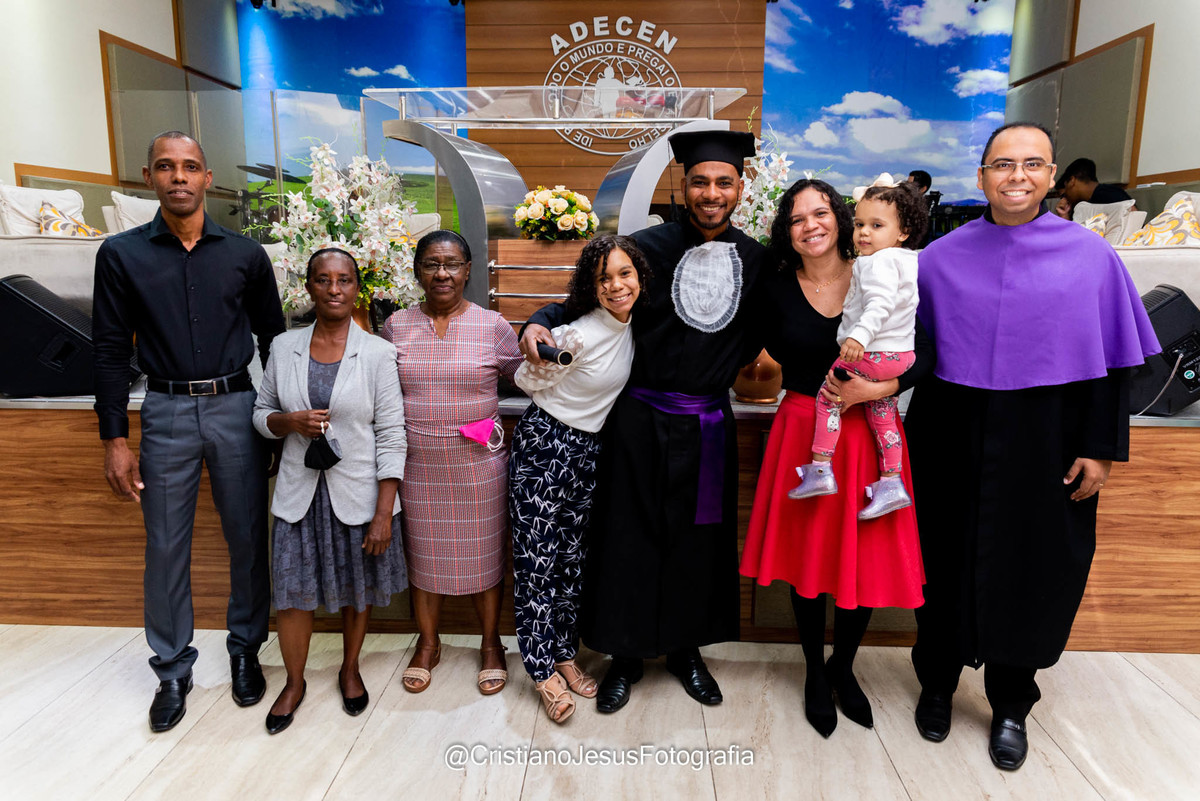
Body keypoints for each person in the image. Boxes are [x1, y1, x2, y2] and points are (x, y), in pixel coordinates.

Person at [907, 122, 1159, 770]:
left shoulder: (1092, 257)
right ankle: (936, 684)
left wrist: (1100, 448)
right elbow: (911, 353)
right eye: (1002, 164)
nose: (1016, 175)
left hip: (1048, 436)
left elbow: (1113, 365)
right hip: (951, 432)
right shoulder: (939, 257)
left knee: (1036, 566)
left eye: (1031, 164)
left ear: (1051, 176)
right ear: (981, 176)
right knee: (942, 557)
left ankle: (1012, 703)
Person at [521, 129, 767, 713]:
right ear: (683, 185)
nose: (711, 193)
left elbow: (771, 327)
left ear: (740, 188)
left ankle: (686, 652)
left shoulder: (757, 261)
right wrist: (539, 319)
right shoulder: (645, 247)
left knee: (697, 542)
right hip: (639, 420)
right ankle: (625, 656)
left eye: (724, 183)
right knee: (628, 541)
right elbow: (585, 296)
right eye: (700, 181)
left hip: (707, 424)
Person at [92, 131, 285, 732]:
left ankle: (245, 649)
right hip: (167, 411)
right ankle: (172, 668)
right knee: (165, 545)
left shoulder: (245, 254)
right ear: (148, 177)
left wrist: (274, 422)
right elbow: (108, 349)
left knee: (247, 537)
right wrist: (114, 438)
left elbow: (274, 340)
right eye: (166, 167)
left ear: (207, 178)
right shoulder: (121, 254)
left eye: (190, 166)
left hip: (236, 406)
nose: (179, 176)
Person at [739, 179, 929, 738]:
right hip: (805, 428)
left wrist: (880, 388)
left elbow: (926, 352)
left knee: (862, 555)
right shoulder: (775, 286)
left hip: (869, 429)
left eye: (820, 213)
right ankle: (813, 672)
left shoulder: (878, 267)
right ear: (786, 231)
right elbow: (735, 344)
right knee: (810, 556)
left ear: (841, 218)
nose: (811, 226)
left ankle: (843, 667)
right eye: (797, 218)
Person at [252, 248, 408, 734]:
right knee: (291, 594)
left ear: (357, 287)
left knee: (356, 591)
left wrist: (384, 512)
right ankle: (294, 683)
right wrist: (287, 422)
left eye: (344, 280)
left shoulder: (378, 353)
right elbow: (260, 413)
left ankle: (350, 669)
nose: (334, 289)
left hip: (357, 494)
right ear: (309, 287)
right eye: (323, 279)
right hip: (299, 494)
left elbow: (392, 433)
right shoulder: (283, 347)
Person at [509, 235, 648, 723]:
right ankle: (540, 668)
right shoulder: (579, 334)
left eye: (624, 273)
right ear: (591, 285)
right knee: (537, 561)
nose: (616, 285)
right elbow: (525, 379)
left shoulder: (633, 324)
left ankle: (564, 652)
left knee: (571, 560)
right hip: (546, 444)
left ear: (640, 276)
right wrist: (539, 341)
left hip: (588, 449)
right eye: (603, 277)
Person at [381, 230, 522, 695]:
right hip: (418, 465)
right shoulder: (396, 326)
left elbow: (524, 378)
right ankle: (428, 643)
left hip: (478, 465)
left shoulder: (493, 326)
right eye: (431, 264)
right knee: (423, 557)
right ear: (417, 271)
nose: (442, 273)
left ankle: (490, 644)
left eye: (452, 264)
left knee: (487, 557)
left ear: (467, 271)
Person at [788, 179, 928, 520]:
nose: (864, 232)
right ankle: (891, 482)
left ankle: (821, 468)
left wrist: (859, 338)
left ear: (903, 232)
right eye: (860, 224)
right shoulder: (905, 260)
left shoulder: (876, 263)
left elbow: (880, 305)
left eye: (876, 226)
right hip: (898, 355)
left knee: (829, 395)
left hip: (874, 355)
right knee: (883, 415)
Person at [1053, 156, 1133, 219]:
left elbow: (1133, 214)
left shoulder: (1108, 194)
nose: (1064, 199)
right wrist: (1064, 215)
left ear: (1072, 181)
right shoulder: (1079, 206)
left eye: (1064, 195)